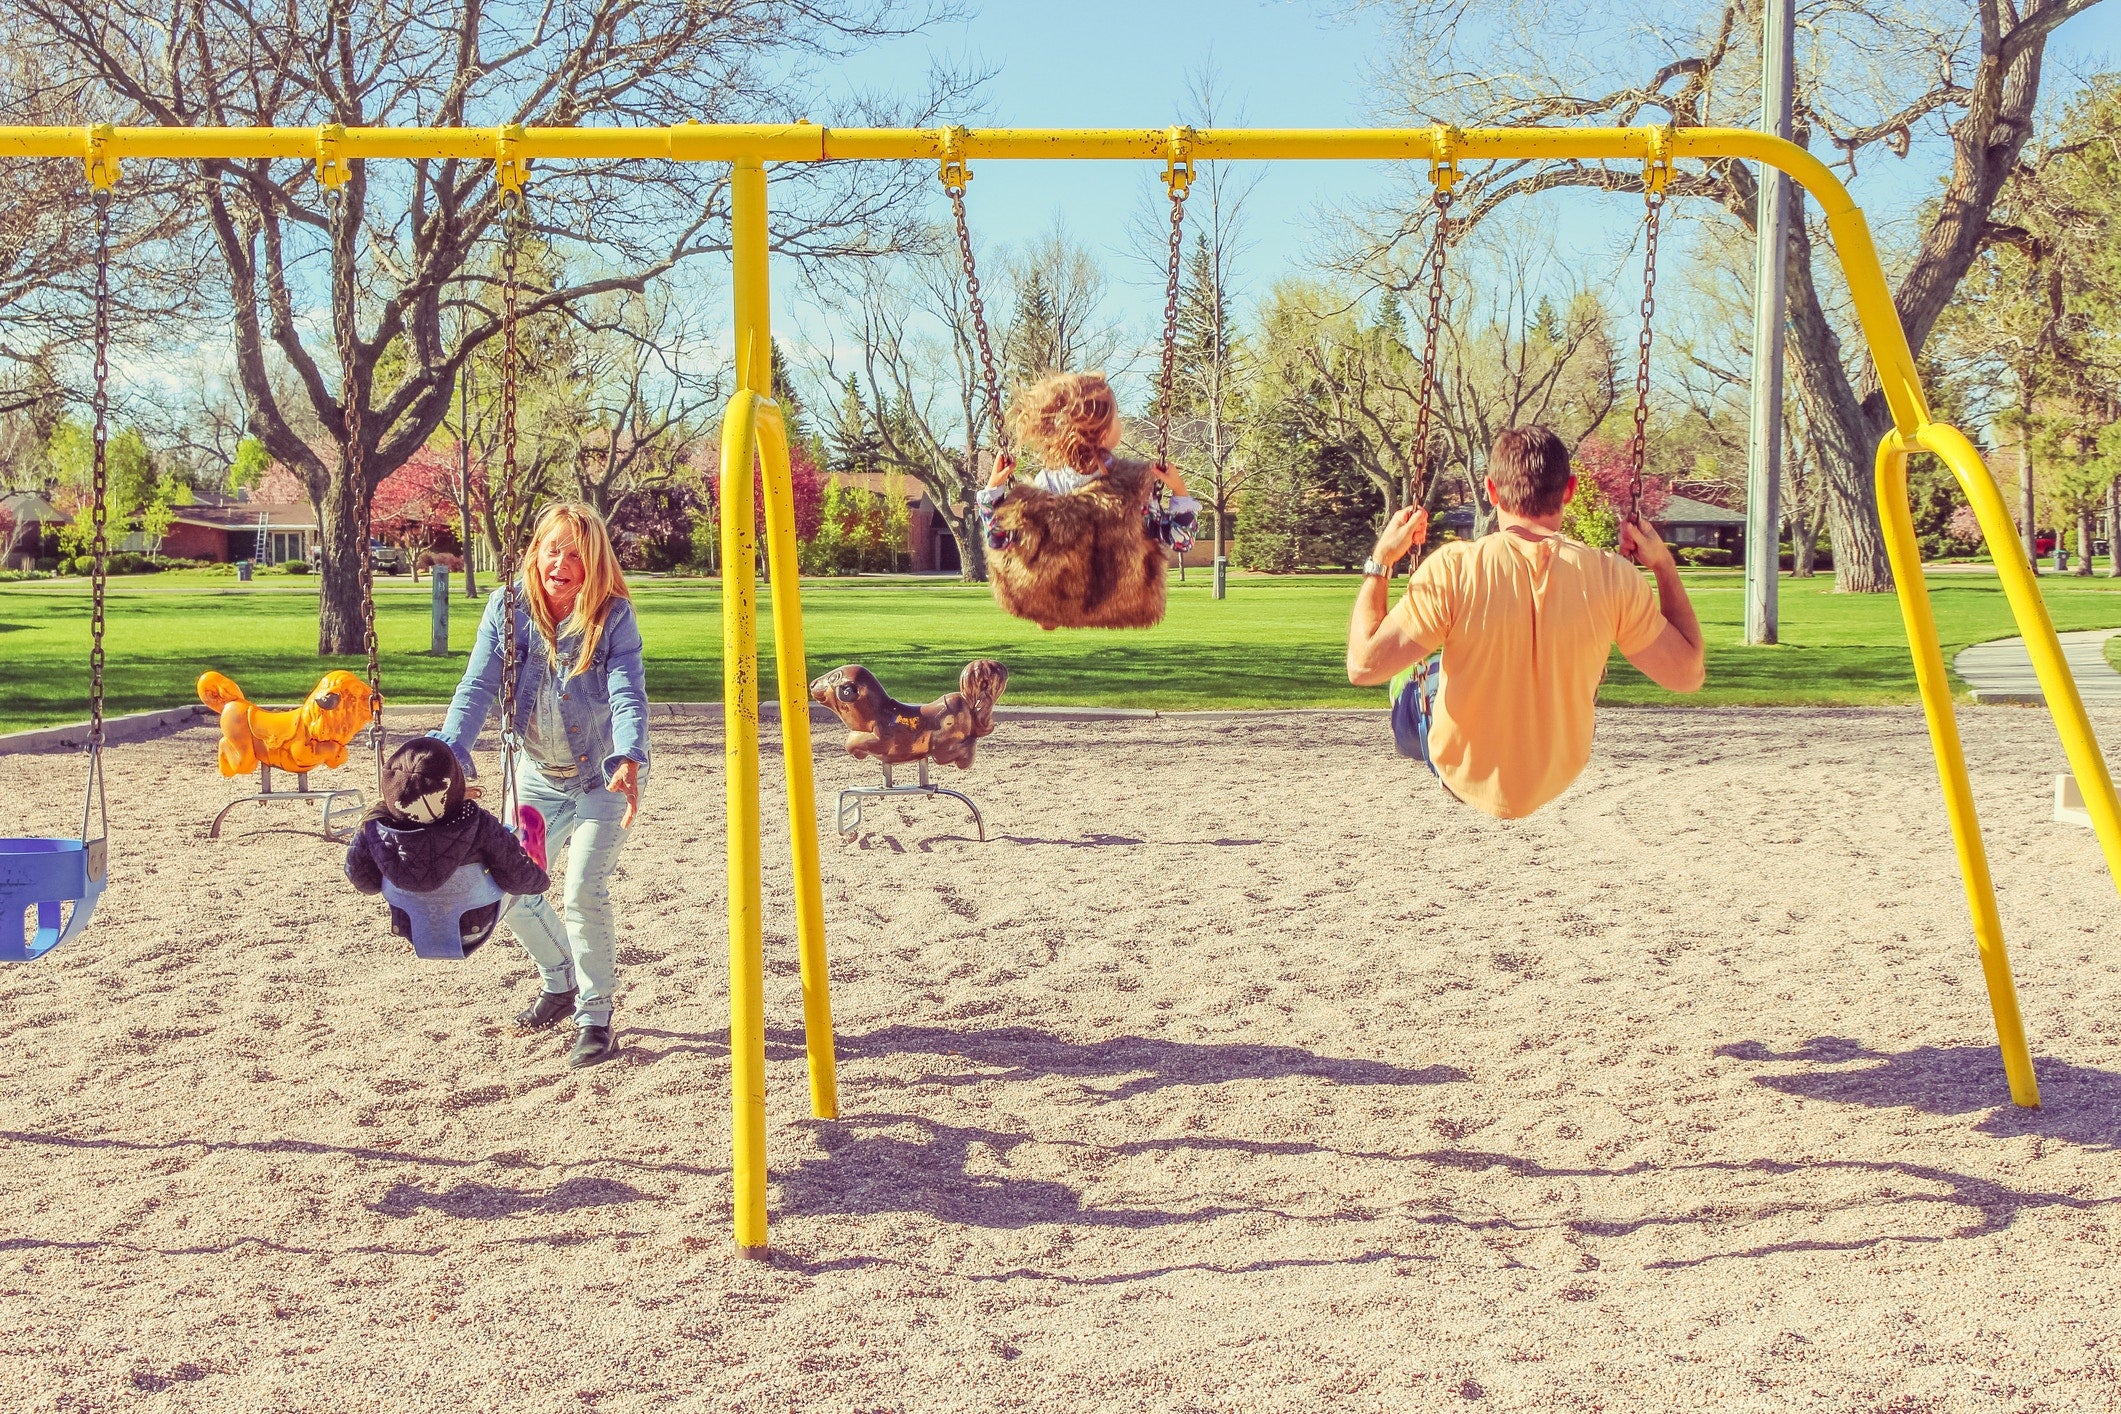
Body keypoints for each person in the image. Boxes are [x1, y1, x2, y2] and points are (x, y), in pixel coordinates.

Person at [1345, 425, 1706, 820]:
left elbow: (1363, 666)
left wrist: (1381, 561)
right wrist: (1664, 566)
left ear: (1491, 490)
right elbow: (1688, 675)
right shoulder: (1614, 576)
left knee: (1416, 671)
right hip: (1556, 772)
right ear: (1568, 490)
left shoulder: (1453, 568)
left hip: (1461, 771)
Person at [439, 502, 649, 1068]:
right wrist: (452, 753)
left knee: (582, 889)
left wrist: (629, 754)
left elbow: (628, 692)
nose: (561, 562)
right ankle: (560, 979)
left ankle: (596, 1014)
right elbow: (478, 686)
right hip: (538, 778)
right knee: (509, 885)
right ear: (535, 552)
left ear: (595, 564)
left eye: (576, 554)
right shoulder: (507, 610)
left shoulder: (613, 618)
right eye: (552, 548)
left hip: (603, 778)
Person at [344, 736, 551, 945]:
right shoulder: (478, 823)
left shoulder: (374, 827)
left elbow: (364, 882)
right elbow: (519, 878)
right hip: (471, 929)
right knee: (509, 859)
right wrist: (541, 882)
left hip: (413, 928)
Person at [975, 371, 1199, 555]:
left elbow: (1000, 541)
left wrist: (993, 491)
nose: (1120, 422)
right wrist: (1179, 491)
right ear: (1102, 433)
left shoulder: (1046, 485)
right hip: (1122, 605)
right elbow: (1181, 541)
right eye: (1116, 417)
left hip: (1061, 603)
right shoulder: (1134, 488)